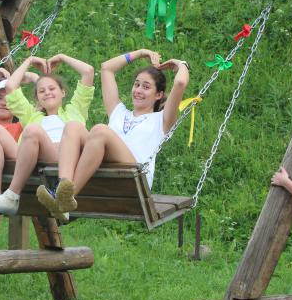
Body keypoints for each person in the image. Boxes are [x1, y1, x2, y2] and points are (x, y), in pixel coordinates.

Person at [35, 48, 189, 223]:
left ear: (158, 95)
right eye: (137, 84)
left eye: (146, 87)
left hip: (135, 176)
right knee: (72, 126)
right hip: (106, 167)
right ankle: (62, 190)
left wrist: (181, 64)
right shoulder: (119, 112)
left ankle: (67, 196)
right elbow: (107, 69)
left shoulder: (161, 120)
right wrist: (140, 53)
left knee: (100, 130)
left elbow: (180, 83)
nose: (138, 90)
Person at [0, 54, 95, 217]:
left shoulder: (75, 110)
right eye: (41, 91)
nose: (47, 93)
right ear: (37, 99)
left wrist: (62, 57)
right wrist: (29, 60)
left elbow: (88, 71)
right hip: (31, 154)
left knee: (33, 130)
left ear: (63, 92)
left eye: (52, 89)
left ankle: (12, 196)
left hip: (61, 158)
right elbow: (11, 86)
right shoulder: (32, 115)